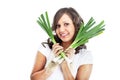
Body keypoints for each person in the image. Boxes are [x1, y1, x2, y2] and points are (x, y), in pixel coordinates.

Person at [30, 7, 93, 80]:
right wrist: (51, 66)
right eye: (58, 26)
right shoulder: (46, 48)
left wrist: (64, 64)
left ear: (76, 26)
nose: (61, 30)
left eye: (66, 24)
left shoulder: (85, 56)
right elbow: (33, 78)